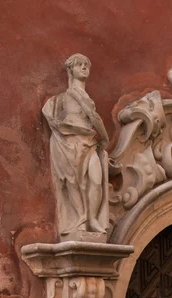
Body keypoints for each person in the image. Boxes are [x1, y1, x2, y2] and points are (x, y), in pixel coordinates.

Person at [42, 54, 109, 239]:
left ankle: (92, 219)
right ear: (70, 70)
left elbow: (92, 117)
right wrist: (105, 138)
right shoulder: (71, 94)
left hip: (88, 143)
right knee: (73, 182)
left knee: (96, 180)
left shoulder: (85, 95)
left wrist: (100, 140)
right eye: (79, 65)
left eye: (86, 64)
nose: (84, 67)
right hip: (70, 142)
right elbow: (94, 117)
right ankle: (80, 219)